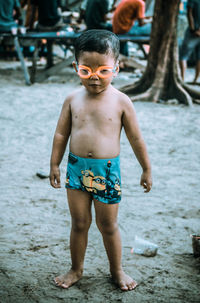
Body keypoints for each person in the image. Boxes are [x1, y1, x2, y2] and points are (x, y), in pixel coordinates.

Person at [50, 29, 152, 291]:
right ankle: (76, 269)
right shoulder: (73, 99)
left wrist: (146, 168)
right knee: (79, 223)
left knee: (108, 225)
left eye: (103, 71)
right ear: (76, 67)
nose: (94, 78)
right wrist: (54, 164)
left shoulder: (122, 101)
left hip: (107, 172)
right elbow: (61, 133)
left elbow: (136, 139)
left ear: (116, 68)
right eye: (86, 70)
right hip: (76, 168)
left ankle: (117, 270)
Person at [179, 0, 200, 83]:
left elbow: (189, 13)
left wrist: (193, 29)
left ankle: (182, 78)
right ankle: (196, 79)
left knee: (183, 56)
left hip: (193, 32)